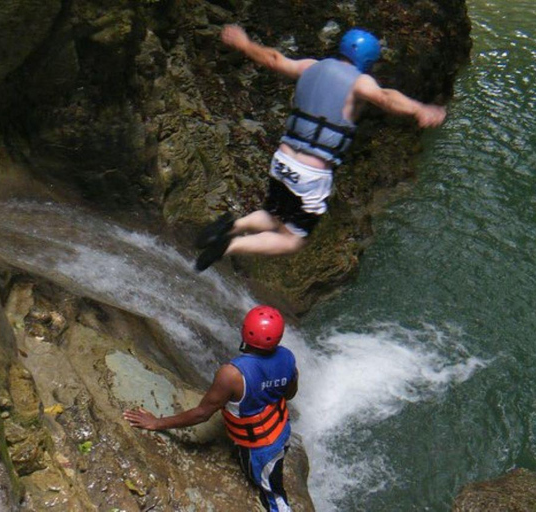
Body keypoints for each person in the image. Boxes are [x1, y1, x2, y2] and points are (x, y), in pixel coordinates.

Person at [195, 25, 447, 271]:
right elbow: (385, 97)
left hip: (282, 161)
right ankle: (230, 245)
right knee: (293, 239)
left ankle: (230, 226)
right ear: (369, 60)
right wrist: (418, 109)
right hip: (310, 174)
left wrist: (244, 44)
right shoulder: (361, 82)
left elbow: (273, 59)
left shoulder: (310, 66)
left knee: (275, 216)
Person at [123, 305, 299, 512]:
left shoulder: (232, 374)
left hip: (261, 447)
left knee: (274, 495)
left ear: (245, 332)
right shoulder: (287, 357)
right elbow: (289, 394)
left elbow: (202, 414)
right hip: (281, 429)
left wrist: (156, 423)